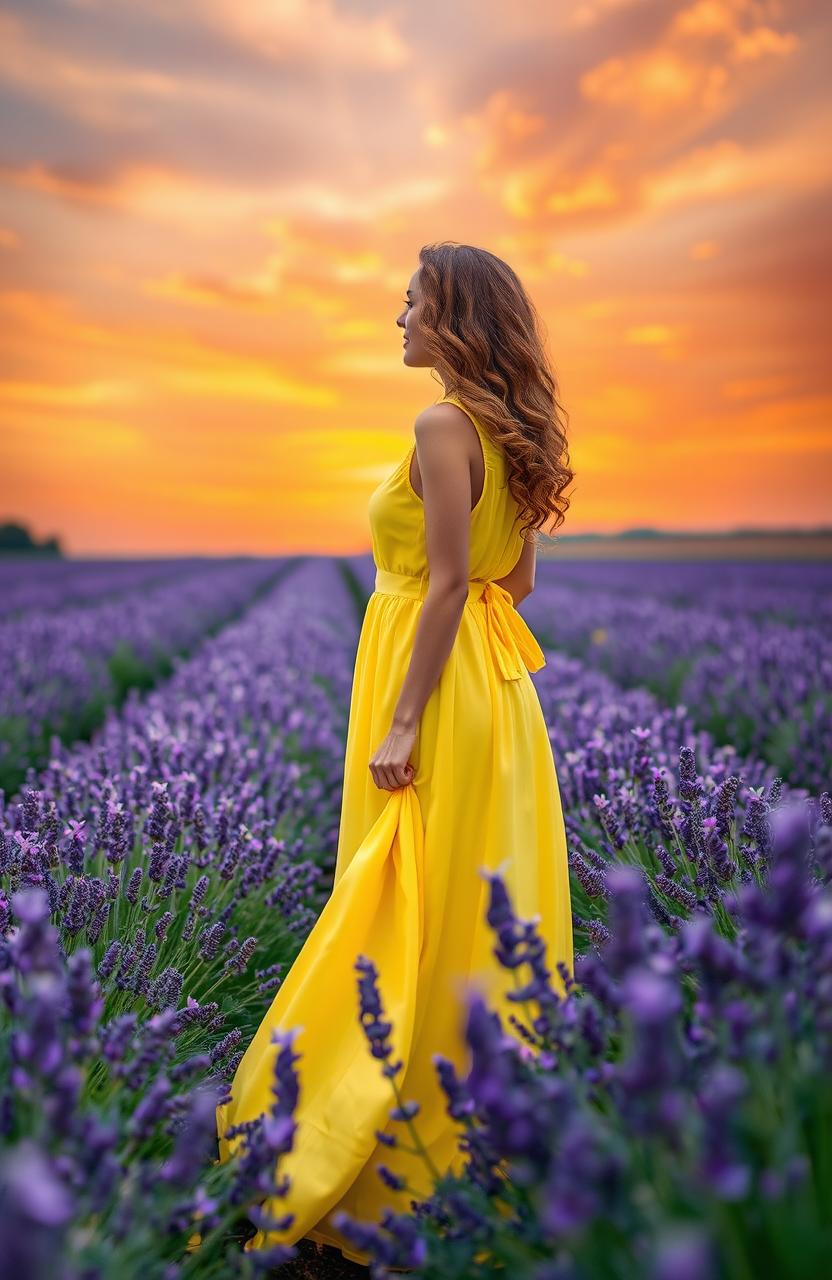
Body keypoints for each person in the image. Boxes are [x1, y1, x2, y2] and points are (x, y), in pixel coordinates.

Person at [215, 240, 575, 1268]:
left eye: (411, 300)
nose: (397, 314)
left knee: (401, 902)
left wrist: (406, 713)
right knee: (468, 900)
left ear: (453, 316)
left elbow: (454, 580)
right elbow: (518, 580)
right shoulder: (508, 430)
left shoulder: (438, 424)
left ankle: (370, 1155)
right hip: (496, 698)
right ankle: (469, 1162)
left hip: (432, 682)